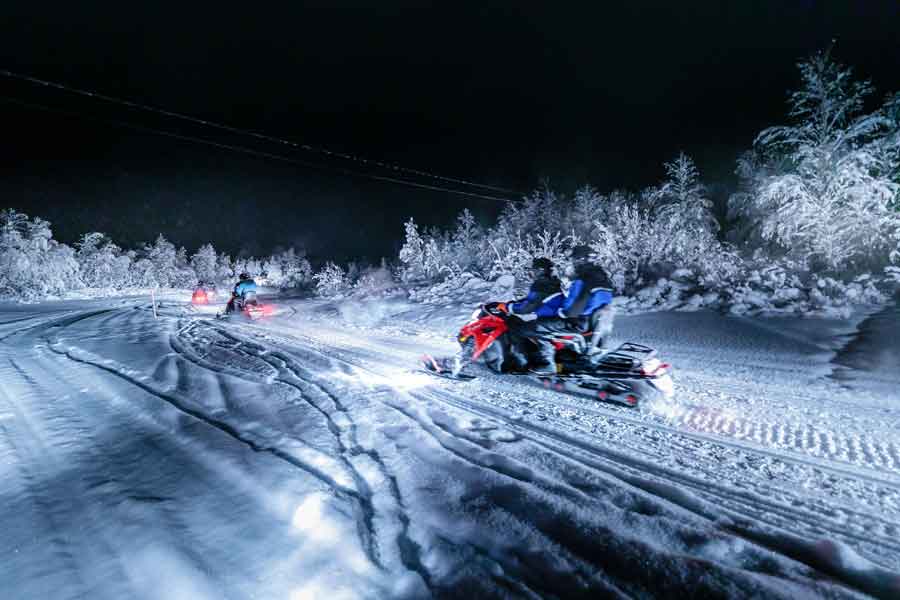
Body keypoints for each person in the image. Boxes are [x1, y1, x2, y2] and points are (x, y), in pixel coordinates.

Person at [529, 245, 614, 374]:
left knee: (537, 326)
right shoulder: (603, 279)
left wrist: (561, 312)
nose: (573, 263)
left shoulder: (583, 280)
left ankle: (547, 363)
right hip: (593, 322)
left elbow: (573, 309)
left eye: (574, 259)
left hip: (579, 322)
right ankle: (564, 358)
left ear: (581, 260)